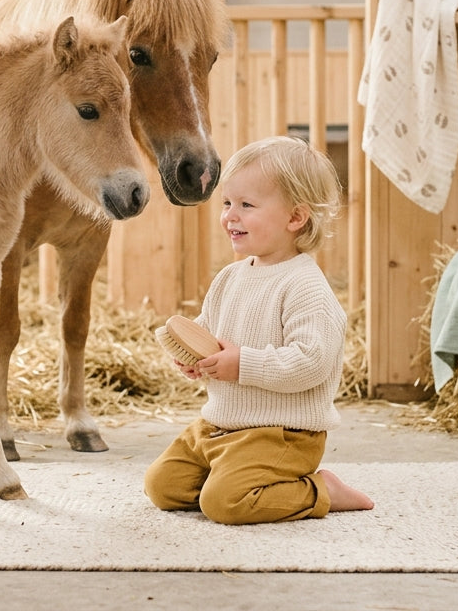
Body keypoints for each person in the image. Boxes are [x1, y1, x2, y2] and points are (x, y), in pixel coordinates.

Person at [144, 136, 374, 525]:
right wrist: (195, 357)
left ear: (295, 218)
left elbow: (311, 363)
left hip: (281, 435)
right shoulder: (230, 277)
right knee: (162, 487)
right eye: (227, 203)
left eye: (246, 205)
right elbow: (210, 331)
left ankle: (321, 490)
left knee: (225, 504)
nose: (230, 216)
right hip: (219, 426)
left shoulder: (305, 286)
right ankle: (235, 475)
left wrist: (242, 365)